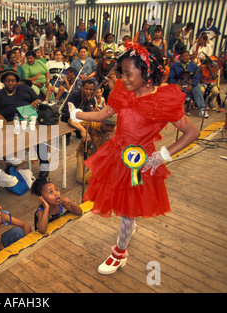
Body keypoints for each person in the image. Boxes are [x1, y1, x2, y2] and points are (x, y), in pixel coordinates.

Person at [69, 41, 200, 275]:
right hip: (115, 154)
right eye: (122, 74)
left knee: (127, 210)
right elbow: (101, 115)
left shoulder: (163, 100)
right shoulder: (122, 92)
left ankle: (120, 253)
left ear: (147, 73)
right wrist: (76, 113)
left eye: (128, 74)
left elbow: (192, 132)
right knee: (123, 208)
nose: (124, 79)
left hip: (139, 163)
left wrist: (162, 155)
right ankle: (127, 230)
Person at [75, 115, 116, 184]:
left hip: (100, 159)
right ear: (102, 122)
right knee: (81, 179)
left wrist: (112, 140)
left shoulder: (116, 132)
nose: (108, 128)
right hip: (85, 154)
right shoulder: (92, 124)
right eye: (106, 125)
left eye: (112, 126)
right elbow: (71, 120)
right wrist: (83, 130)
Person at [168, 50, 209, 118]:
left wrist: (192, 85)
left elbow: (197, 77)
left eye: (187, 55)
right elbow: (171, 78)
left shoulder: (194, 65)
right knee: (172, 90)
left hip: (191, 84)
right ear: (180, 57)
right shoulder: (174, 66)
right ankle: (174, 110)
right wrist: (176, 84)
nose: (185, 57)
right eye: (183, 56)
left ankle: (202, 109)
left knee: (197, 89)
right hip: (179, 84)